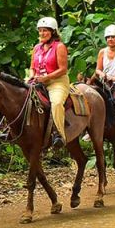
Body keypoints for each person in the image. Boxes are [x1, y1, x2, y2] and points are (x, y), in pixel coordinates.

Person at [28, 16, 70, 148]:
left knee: (56, 103)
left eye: (45, 30)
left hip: (56, 82)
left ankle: (58, 134)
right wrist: (32, 76)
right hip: (38, 81)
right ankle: (9, 129)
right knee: (16, 95)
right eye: (40, 31)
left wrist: (46, 78)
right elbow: (32, 68)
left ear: (53, 32)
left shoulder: (59, 46)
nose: (42, 33)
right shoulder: (36, 48)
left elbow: (63, 69)